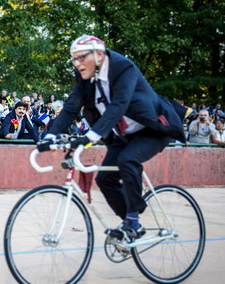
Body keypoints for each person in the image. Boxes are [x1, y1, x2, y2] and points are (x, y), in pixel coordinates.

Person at [39, 34, 186, 241]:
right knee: (105, 179)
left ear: (99, 54)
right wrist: (50, 136)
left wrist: (89, 137)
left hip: (152, 130)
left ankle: (133, 220)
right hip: (122, 134)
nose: (78, 64)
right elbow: (72, 105)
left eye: (82, 58)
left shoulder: (123, 67)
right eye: (74, 59)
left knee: (128, 159)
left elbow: (119, 105)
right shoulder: (84, 74)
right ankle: (131, 224)